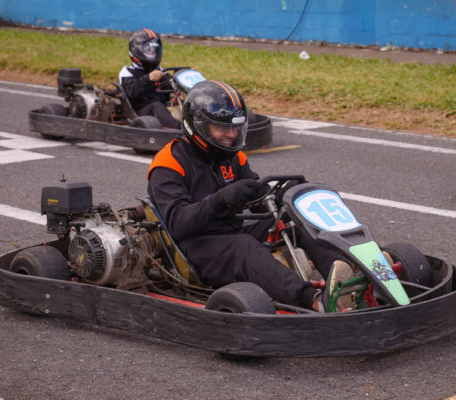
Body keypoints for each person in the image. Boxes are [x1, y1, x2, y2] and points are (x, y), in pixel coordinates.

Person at [146, 80, 355, 312]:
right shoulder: (168, 164)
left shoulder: (232, 157)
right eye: (222, 128)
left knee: (292, 220)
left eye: (235, 127)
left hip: (230, 232)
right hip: (193, 249)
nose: (232, 134)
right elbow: (178, 224)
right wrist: (221, 200)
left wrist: (282, 195)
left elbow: (259, 202)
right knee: (243, 247)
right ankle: (314, 301)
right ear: (198, 125)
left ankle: (347, 279)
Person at [118, 28, 181, 129]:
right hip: (140, 111)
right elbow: (132, 93)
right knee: (156, 106)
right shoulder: (127, 72)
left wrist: (178, 86)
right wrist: (148, 78)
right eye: (148, 51)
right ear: (137, 51)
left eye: (154, 51)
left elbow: (170, 87)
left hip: (162, 109)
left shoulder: (160, 71)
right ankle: (180, 130)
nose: (152, 54)